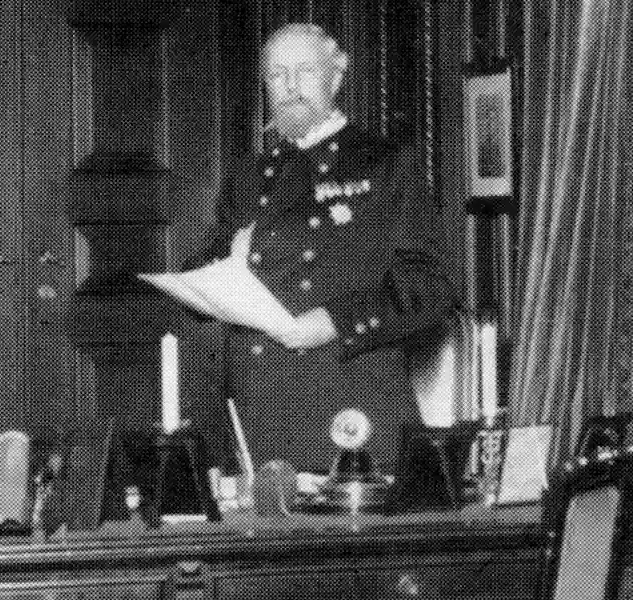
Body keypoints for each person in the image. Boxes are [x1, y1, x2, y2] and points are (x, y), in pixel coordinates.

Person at [184, 23, 459, 476]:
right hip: (259, 408)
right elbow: (202, 272)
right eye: (277, 75)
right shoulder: (249, 174)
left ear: (337, 76)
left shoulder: (384, 163)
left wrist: (335, 321)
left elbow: (432, 285)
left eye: (305, 71)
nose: (291, 87)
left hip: (347, 403)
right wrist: (218, 265)